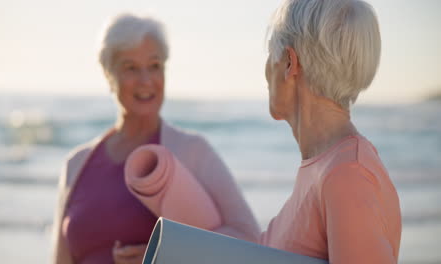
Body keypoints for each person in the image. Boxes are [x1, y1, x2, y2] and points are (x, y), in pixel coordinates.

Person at [51, 13, 260, 264]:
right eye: (131, 68)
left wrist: (165, 254)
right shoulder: (76, 164)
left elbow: (249, 240)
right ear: (108, 75)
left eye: (155, 66)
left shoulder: (193, 151)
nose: (146, 80)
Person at [260, 0, 402, 263]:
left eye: (270, 55)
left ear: (290, 62)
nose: (266, 71)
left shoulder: (347, 174)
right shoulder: (327, 166)